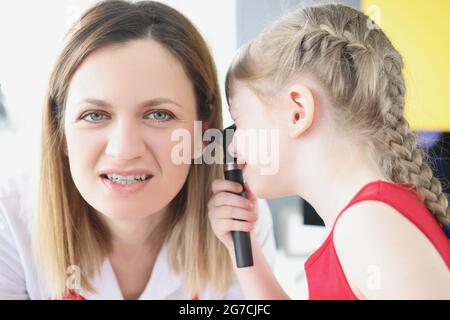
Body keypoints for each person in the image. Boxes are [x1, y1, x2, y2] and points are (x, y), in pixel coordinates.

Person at [0, 0, 275, 300]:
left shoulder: (239, 221)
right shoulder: (10, 219)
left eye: (159, 115)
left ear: (202, 132)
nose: (124, 150)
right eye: (94, 115)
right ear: (60, 131)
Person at [208, 4, 450, 299]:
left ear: (297, 112)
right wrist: (244, 253)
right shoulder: (365, 222)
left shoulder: (367, 227)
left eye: (240, 122)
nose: (231, 146)